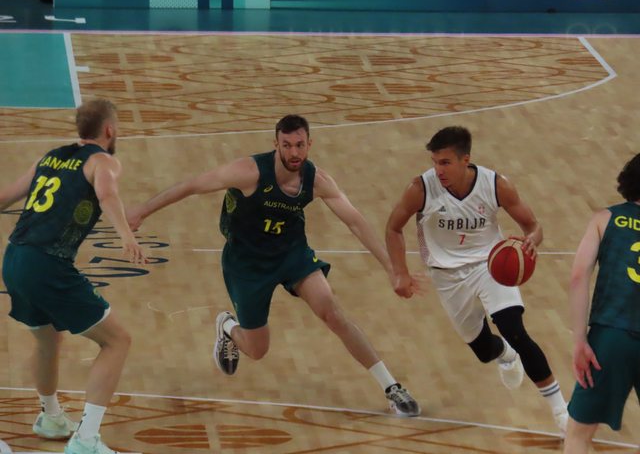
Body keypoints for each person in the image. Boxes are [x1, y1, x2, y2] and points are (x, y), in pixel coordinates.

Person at [127, 114, 420, 416]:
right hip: (247, 264)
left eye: (300, 145)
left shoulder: (316, 180)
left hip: (292, 254)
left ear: (309, 144)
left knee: (332, 312)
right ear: (276, 144)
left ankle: (392, 387)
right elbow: (192, 185)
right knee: (257, 350)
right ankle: (227, 326)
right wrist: (142, 211)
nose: (294, 152)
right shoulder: (248, 172)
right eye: (287, 145)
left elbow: (356, 222)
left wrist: (393, 269)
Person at [385, 126, 568, 432]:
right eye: (435, 162)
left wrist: (531, 241)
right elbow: (393, 228)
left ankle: (562, 412)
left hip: (490, 265)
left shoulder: (496, 185)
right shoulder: (420, 188)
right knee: (484, 350)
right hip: (447, 275)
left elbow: (533, 226)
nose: (438, 170)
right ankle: (505, 355)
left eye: (445, 162)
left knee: (514, 330)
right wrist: (400, 272)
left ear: (465, 159)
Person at [0, 99, 146, 454]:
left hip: (14, 258)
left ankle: (51, 417)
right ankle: (85, 440)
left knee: (47, 339)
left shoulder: (49, 157)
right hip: (47, 264)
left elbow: (4, 197)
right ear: (109, 129)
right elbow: (106, 193)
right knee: (117, 341)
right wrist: (126, 234)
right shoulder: (103, 161)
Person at [563, 153, 640, 453]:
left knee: (578, 434)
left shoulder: (604, 219)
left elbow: (578, 277)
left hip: (610, 337)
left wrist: (579, 340)